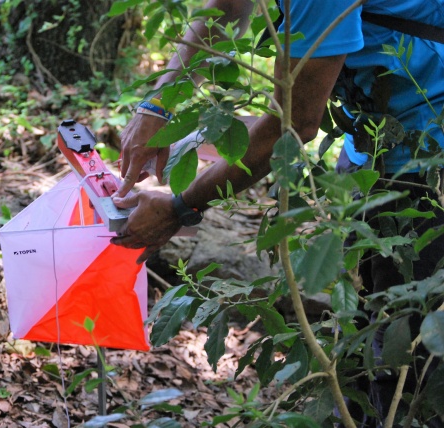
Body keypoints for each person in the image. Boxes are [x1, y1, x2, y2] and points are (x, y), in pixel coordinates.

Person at [111, 0, 444, 426]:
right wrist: (158, 105)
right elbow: (229, 6)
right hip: (372, 150)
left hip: (427, 160)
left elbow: (294, 123)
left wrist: (180, 207)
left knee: (407, 366)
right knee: (358, 350)